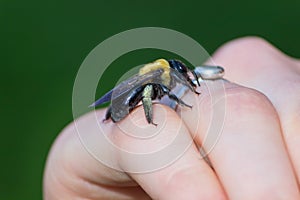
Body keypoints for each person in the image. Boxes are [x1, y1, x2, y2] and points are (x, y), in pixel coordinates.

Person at [43, 37, 300, 199]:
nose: (182, 76)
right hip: (127, 103)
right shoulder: (157, 77)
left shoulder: (164, 75)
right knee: (145, 91)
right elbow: (147, 93)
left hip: (126, 103)